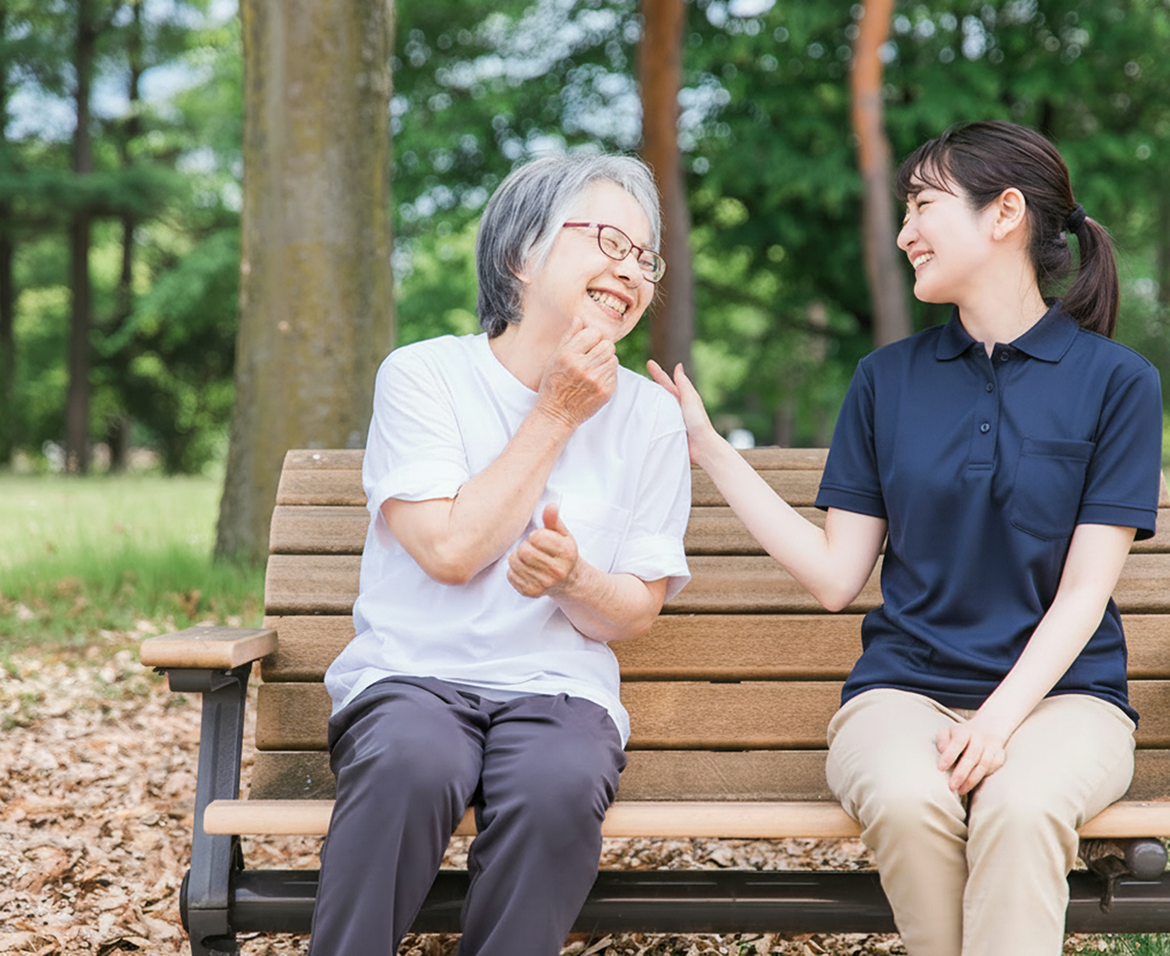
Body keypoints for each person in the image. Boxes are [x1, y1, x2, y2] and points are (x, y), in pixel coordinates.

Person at [649, 120, 1163, 956]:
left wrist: (996, 724)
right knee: (906, 795)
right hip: (903, 693)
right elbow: (833, 575)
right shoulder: (885, 380)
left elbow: (1083, 594)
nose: (903, 233)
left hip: (1067, 701)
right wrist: (708, 446)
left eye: (923, 205)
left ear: (1004, 214)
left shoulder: (1118, 384)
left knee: (1021, 805)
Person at [307, 152, 691, 956]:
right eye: (608, 243)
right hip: (413, 676)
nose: (630, 270)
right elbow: (449, 551)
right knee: (412, 759)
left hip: (558, 693)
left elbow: (637, 610)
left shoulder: (651, 418)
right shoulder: (424, 376)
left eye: (644, 256)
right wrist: (556, 413)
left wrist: (574, 577)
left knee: (558, 784)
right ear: (521, 254)